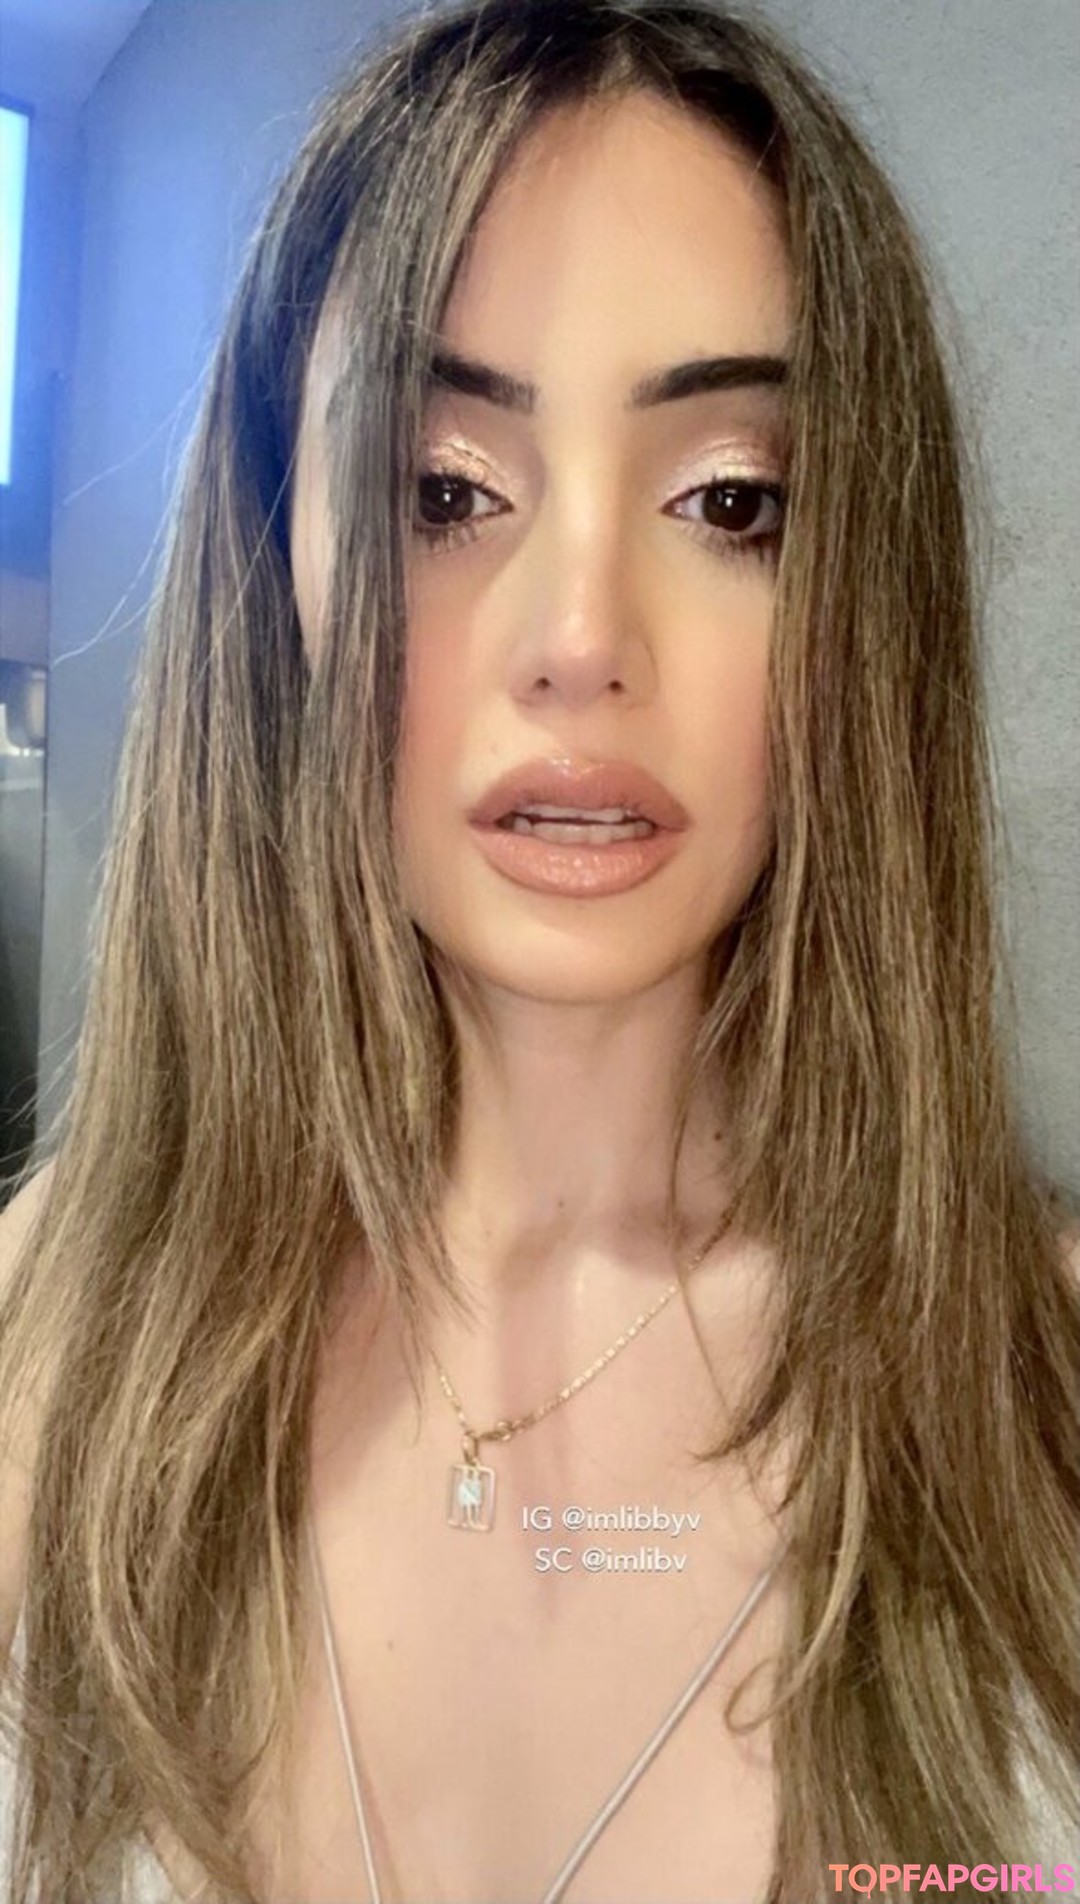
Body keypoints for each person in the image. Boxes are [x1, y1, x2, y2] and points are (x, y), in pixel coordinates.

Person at [1, 1, 1078, 1899]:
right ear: (277, 563)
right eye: (445, 491)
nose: (581, 639)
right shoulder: (36, 1341)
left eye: (731, 502)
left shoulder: (1044, 1392)